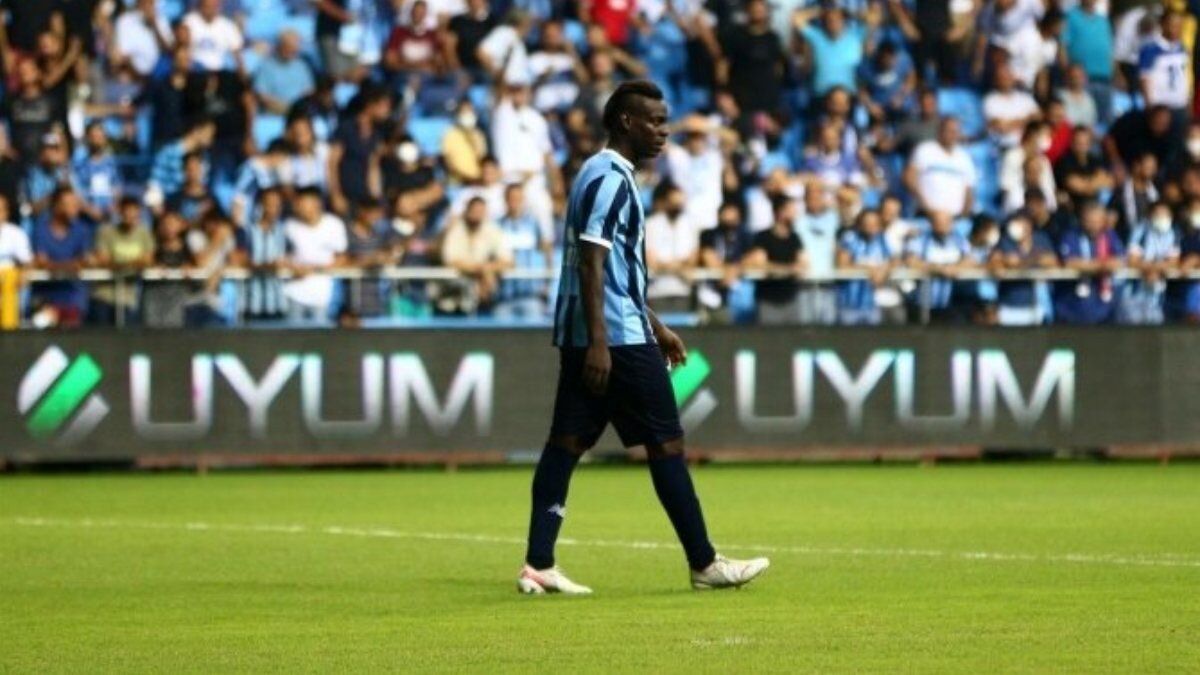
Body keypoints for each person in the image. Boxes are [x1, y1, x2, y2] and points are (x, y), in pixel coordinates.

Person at [519, 80, 769, 595]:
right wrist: (602, 343)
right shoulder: (611, 179)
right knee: (665, 442)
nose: (663, 131)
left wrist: (657, 325)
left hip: (605, 331)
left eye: (665, 121)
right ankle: (704, 564)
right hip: (616, 340)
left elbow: (614, 274)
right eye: (654, 121)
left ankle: (538, 564)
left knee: (566, 443)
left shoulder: (599, 173)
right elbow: (591, 264)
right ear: (626, 122)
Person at [283, 187, 348, 324]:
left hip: (323, 296)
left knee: (322, 335)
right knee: (292, 335)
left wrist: (314, 269)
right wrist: (293, 268)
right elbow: (282, 257)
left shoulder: (334, 225)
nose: (297, 207)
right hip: (294, 294)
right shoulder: (288, 226)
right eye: (296, 203)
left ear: (316, 203)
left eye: (301, 202)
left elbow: (342, 258)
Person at [31, 188, 93, 328]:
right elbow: (42, 262)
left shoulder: (82, 229)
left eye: (76, 204)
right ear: (56, 206)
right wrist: (70, 265)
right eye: (68, 204)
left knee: (72, 337)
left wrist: (54, 265)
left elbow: (84, 261)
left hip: (73, 297)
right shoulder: (40, 228)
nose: (75, 208)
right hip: (44, 297)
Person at [1055, 201, 1124, 325]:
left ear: (1103, 221)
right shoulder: (1071, 235)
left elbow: (1119, 261)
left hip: (1104, 307)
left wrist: (1088, 266)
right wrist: (1100, 266)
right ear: (1082, 220)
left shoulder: (1110, 236)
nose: (1093, 225)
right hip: (1073, 307)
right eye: (1089, 221)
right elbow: (1069, 262)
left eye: (1096, 221)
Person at [440, 195, 513, 313]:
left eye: (480, 211)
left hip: (486, 297)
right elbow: (450, 261)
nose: (477, 214)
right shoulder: (456, 230)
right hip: (456, 293)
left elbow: (508, 261)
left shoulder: (493, 230)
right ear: (467, 211)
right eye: (474, 211)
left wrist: (488, 269)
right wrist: (481, 270)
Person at [90, 196, 155, 325]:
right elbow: (103, 261)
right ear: (120, 212)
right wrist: (133, 264)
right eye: (127, 212)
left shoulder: (144, 233)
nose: (130, 216)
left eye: (134, 213)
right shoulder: (105, 232)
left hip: (128, 298)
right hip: (103, 296)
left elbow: (147, 261)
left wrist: (119, 265)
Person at [494, 183, 553, 320]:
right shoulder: (496, 225)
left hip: (531, 295)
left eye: (518, 198)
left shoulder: (533, 223)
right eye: (511, 198)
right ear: (505, 200)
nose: (515, 202)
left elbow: (546, 252)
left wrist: (547, 285)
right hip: (504, 296)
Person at [745, 194, 805, 325]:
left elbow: (802, 264)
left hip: (790, 299)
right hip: (768, 300)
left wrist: (788, 269)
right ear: (780, 212)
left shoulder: (795, 238)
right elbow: (759, 264)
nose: (795, 213)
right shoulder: (763, 237)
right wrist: (787, 269)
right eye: (791, 209)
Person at [990, 212, 1057, 326]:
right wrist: (1007, 262)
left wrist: (1023, 261)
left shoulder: (1041, 239)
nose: (1020, 225)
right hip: (1009, 306)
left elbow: (1052, 261)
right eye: (1017, 222)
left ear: (1030, 225)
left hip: (1037, 306)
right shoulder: (1006, 241)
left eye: (1023, 222)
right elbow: (995, 262)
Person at [1119, 201, 1179, 325]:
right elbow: (1132, 261)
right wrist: (1151, 269)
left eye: (1165, 215)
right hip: (1134, 292)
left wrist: (1154, 269)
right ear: (1150, 216)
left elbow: (1173, 262)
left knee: (1155, 328)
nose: (1162, 218)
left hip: (1157, 293)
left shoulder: (1173, 233)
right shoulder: (1140, 231)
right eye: (1159, 214)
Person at [644, 181, 700, 314]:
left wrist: (667, 266)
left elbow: (692, 260)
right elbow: (652, 262)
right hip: (657, 292)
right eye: (674, 203)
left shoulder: (690, 225)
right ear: (665, 202)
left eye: (680, 203)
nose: (677, 207)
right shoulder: (651, 225)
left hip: (683, 291)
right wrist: (680, 268)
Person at [697, 201, 751, 324]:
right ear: (719, 216)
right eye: (727, 219)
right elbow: (708, 256)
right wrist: (726, 273)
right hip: (713, 292)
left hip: (739, 295)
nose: (730, 223)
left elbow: (755, 257)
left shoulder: (745, 236)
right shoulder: (708, 235)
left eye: (733, 220)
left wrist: (735, 269)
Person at [836, 208, 893, 325]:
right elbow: (842, 264)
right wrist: (868, 269)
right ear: (860, 224)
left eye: (874, 223)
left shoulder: (881, 239)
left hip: (872, 302)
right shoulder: (850, 238)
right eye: (867, 223)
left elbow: (893, 260)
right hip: (849, 302)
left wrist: (884, 270)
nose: (871, 227)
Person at [793, 184, 839, 325]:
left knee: (829, 329)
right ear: (805, 200)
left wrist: (828, 187)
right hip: (805, 284)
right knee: (806, 329)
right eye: (811, 198)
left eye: (818, 198)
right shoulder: (798, 221)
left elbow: (852, 201)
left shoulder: (833, 218)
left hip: (827, 283)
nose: (814, 202)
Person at [253, 30, 315, 115]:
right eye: (289, 48)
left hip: (299, 112)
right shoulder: (266, 66)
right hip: (275, 112)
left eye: (295, 50)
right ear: (280, 46)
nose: (293, 52)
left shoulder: (301, 66)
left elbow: (308, 91)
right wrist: (285, 107)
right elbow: (262, 95)